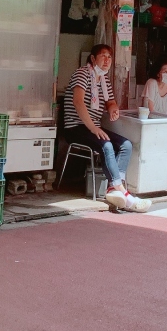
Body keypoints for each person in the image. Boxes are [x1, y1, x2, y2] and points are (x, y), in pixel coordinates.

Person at [64, 45, 149, 212]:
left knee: (126, 145)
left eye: (109, 57)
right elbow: (78, 102)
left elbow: (110, 102)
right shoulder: (82, 73)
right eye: (103, 56)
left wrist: (113, 109)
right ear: (93, 59)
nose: (107, 60)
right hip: (75, 127)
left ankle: (113, 188)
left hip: (93, 127)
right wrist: (93, 128)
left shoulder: (103, 79)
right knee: (107, 145)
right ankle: (123, 193)